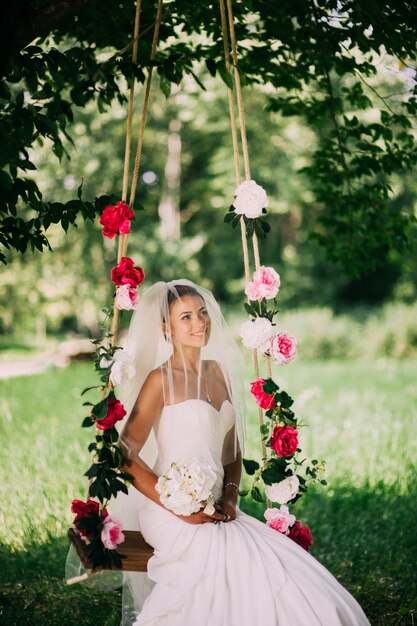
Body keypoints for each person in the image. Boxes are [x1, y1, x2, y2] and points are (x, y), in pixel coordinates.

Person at [114, 279, 371, 626]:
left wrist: (231, 499)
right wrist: (178, 505)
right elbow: (125, 454)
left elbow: (232, 455)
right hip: (166, 508)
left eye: (202, 314)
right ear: (166, 328)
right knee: (218, 559)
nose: (199, 323)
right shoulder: (161, 380)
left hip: (218, 507)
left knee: (270, 560)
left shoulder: (218, 373)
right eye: (186, 317)